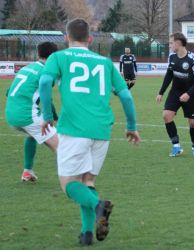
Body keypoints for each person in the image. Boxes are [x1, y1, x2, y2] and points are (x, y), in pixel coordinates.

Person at [39, 18, 141, 245]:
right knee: (87, 181)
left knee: (69, 184)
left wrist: (47, 116)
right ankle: (86, 235)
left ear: (66, 38)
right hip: (102, 130)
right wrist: (132, 126)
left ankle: (98, 206)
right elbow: (125, 95)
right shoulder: (105, 62)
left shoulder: (58, 57)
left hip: (74, 129)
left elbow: (45, 83)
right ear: (90, 39)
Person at [5, 42, 59, 182]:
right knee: (61, 146)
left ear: (38, 54)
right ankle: (73, 181)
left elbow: (8, 92)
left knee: (32, 135)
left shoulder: (27, 68)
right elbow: (47, 99)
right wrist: (53, 117)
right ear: (53, 57)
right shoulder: (46, 72)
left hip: (11, 114)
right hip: (27, 115)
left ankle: (27, 172)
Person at [156, 32, 194, 157]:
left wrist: (188, 94)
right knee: (166, 115)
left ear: (178, 43)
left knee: (192, 122)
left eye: (171, 43)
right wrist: (161, 92)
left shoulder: (192, 59)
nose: (170, 45)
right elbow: (169, 75)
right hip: (175, 92)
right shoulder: (172, 57)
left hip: (190, 94)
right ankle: (176, 146)